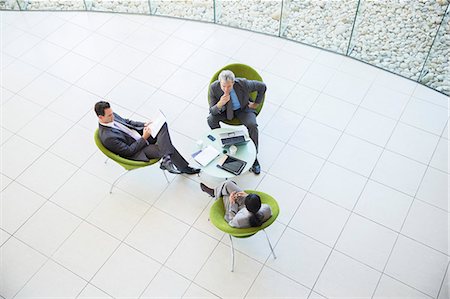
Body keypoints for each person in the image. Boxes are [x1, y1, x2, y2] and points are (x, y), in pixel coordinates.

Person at [94, 101, 200, 175]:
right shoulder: (108, 137)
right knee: (165, 146)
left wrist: (144, 124)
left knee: (162, 125)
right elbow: (128, 151)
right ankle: (179, 166)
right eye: (109, 116)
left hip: (140, 135)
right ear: (100, 117)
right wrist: (144, 138)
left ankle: (166, 160)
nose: (112, 116)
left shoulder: (111, 115)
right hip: (138, 150)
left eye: (112, 113)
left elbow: (127, 122)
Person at [207, 70, 266, 175]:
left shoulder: (243, 83)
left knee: (252, 125)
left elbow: (262, 86)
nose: (226, 89)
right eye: (223, 86)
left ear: (233, 83)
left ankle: (254, 157)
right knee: (211, 119)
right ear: (219, 82)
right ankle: (223, 142)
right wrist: (220, 103)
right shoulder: (213, 88)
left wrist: (256, 104)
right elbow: (212, 110)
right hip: (224, 111)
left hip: (243, 109)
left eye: (229, 86)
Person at [200, 181, 272, 228]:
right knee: (229, 184)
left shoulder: (239, 220)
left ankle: (215, 193)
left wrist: (232, 202)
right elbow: (255, 206)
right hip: (245, 209)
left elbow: (231, 220)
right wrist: (246, 195)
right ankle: (216, 192)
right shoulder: (267, 209)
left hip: (234, 215)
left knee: (226, 195)